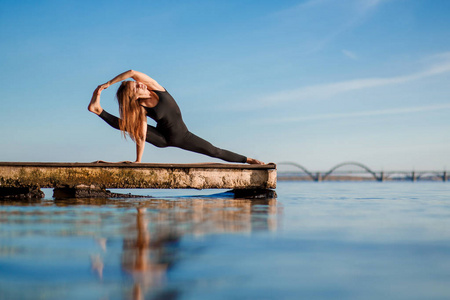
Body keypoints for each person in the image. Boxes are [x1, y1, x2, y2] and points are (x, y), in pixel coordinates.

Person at [88, 70, 264, 164]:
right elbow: (141, 133)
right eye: (136, 87)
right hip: (162, 139)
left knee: (213, 151)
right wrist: (138, 161)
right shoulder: (141, 108)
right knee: (128, 125)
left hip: (182, 136)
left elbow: (133, 72)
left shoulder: (155, 88)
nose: (140, 84)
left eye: (137, 83)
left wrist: (108, 84)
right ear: (133, 96)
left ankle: (248, 160)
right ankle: (98, 110)